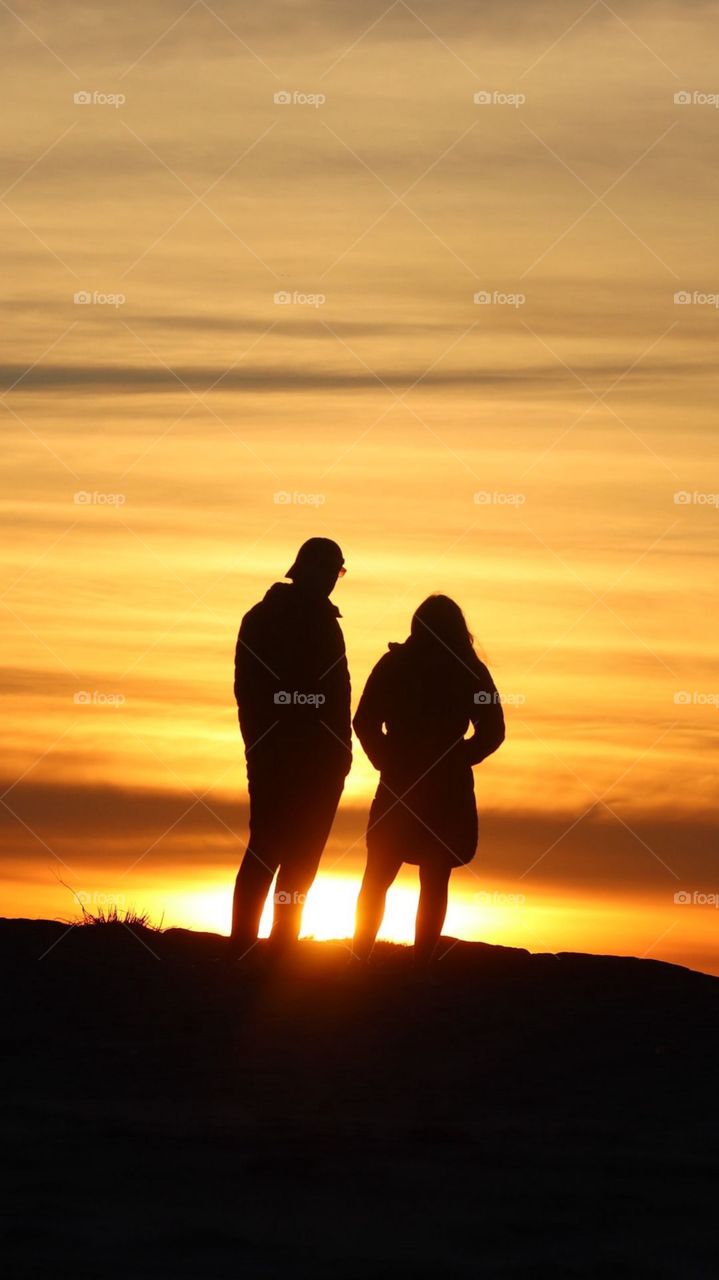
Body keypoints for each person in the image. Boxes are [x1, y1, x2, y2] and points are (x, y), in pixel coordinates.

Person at [353, 595, 505, 968]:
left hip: (405, 779)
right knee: (432, 878)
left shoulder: (396, 664)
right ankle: (420, 965)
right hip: (440, 784)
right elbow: (493, 730)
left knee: (379, 874)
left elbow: (364, 721)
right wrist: (458, 758)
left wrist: (387, 760)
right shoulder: (470, 670)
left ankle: (358, 960)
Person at [231, 538, 351, 956]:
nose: (335, 582)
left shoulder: (270, 618)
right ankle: (255, 946)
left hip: (304, 759)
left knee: (288, 855)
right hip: (288, 758)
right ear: (313, 571)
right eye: (335, 572)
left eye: (339, 573)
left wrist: (340, 753)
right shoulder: (276, 619)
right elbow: (253, 692)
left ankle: (266, 945)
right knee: (277, 851)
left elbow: (335, 695)